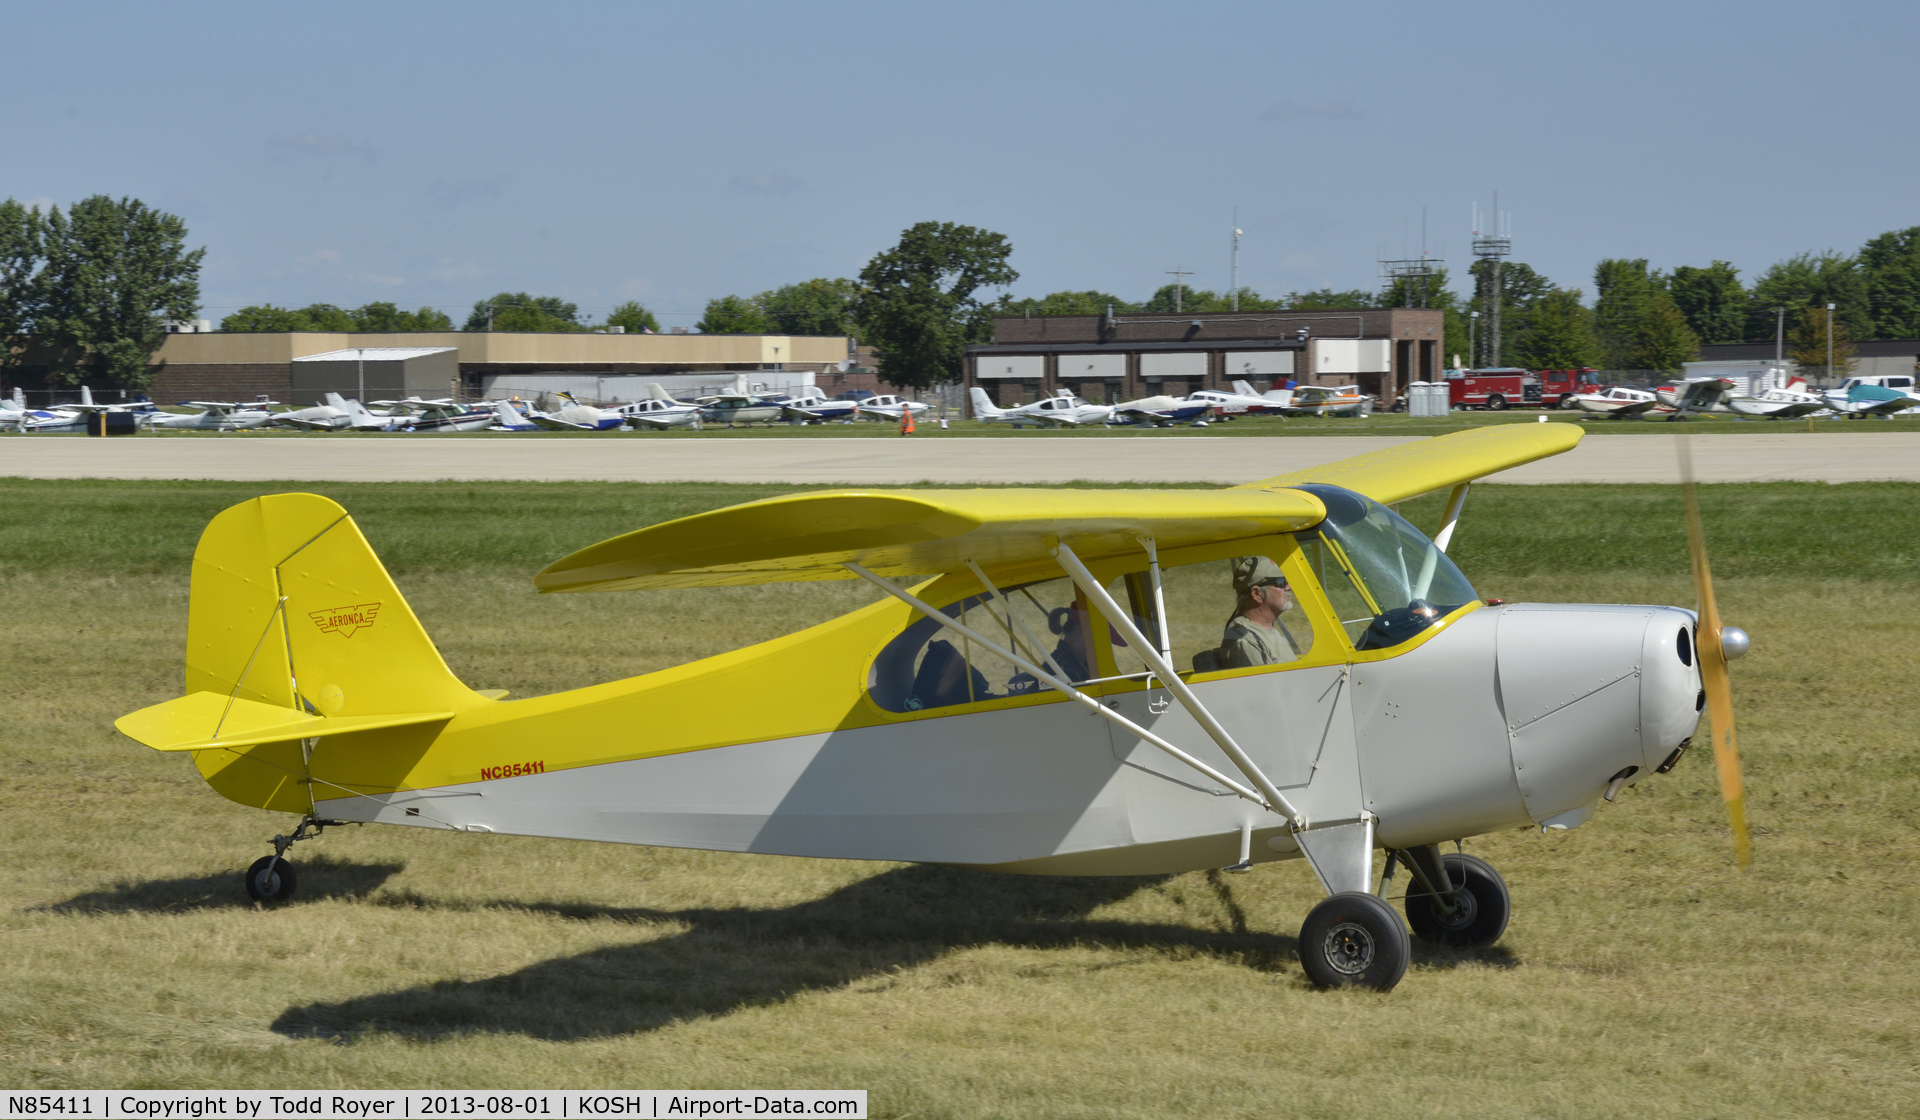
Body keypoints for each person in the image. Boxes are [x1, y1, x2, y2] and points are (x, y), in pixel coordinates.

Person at [1219, 556, 1302, 668]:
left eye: (1287, 579)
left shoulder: (1265, 629)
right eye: (1280, 582)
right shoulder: (1246, 639)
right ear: (1257, 594)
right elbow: (1266, 685)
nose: (1289, 587)